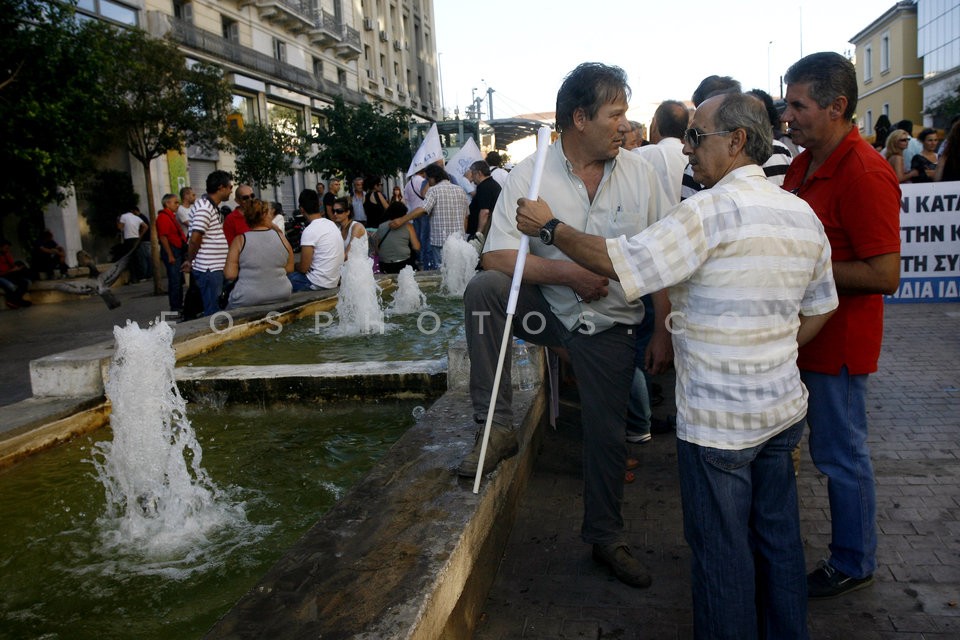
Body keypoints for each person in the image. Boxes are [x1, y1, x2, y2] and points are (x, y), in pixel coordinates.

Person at [517, 91, 838, 638]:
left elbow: (622, 262)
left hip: (718, 426)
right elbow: (821, 307)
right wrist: (769, 350)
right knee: (779, 545)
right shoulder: (800, 213)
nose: (687, 149)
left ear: (736, 142)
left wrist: (551, 230)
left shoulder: (708, 212)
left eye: (697, 136)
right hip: (783, 414)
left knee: (721, 556)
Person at [460, 62, 670, 589]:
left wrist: (663, 328)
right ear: (580, 118)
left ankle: (606, 538)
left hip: (613, 325)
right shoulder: (530, 174)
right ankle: (498, 427)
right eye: (616, 114)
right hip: (549, 313)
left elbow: (664, 256)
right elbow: (496, 257)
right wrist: (567, 273)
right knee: (484, 293)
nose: (626, 125)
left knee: (606, 435)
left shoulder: (643, 173)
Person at [782, 51, 901, 599]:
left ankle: (854, 560)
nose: (788, 116)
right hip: (803, 341)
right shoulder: (804, 163)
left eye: (798, 105)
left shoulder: (865, 172)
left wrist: (807, 268)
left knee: (841, 455)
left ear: (837, 107)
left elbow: (884, 274)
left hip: (839, 347)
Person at [390, 164, 469, 267]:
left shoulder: (434, 190)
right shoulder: (460, 190)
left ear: (433, 177)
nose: (428, 182)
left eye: (428, 179)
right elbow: (466, 216)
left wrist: (401, 220)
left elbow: (423, 209)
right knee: (457, 272)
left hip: (440, 241)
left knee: (442, 273)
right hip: (458, 241)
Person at [223, 197, 294, 309]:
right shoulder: (281, 238)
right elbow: (290, 268)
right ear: (266, 215)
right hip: (282, 293)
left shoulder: (239, 240)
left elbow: (230, 275)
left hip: (247, 297)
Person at [182, 170, 233, 317]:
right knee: (213, 312)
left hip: (214, 267)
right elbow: (196, 237)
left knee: (216, 307)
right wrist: (190, 260)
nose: (231, 191)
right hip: (209, 268)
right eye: (229, 187)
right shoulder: (204, 208)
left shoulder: (210, 207)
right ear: (221, 188)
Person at [288, 188, 343, 292]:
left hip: (316, 283)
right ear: (319, 204)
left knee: (285, 279)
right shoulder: (332, 224)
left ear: (301, 209)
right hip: (333, 281)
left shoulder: (309, 231)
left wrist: (295, 266)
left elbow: (304, 268)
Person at [156, 193, 187, 314]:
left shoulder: (171, 216)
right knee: (175, 280)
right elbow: (163, 237)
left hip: (176, 249)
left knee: (178, 280)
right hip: (172, 250)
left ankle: (179, 304)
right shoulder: (163, 217)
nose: (177, 205)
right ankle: (175, 306)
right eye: (175, 202)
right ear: (167, 203)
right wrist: (170, 254)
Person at [373, 201, 420, 273]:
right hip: (403, 264)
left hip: (385, 265)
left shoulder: (381, 226)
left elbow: (376, 250)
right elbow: (416, 247)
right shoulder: (408, 226)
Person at [463, 160, 501, 240]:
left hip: (483, 234)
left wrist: (478, 234)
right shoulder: (491, 184)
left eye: (473, 174)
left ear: (479, 173)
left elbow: (485, 212)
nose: (472, 179)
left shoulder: (485, 187)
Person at [403, 168, 432, 268]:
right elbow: (428, 195)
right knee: (425, 238)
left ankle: (419, 258)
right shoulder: (423, 182)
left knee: (417, 238)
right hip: (423, 212)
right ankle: (425, 261)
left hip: (413, 214)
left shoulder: (407, 184)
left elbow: (406, 201)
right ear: (423, 172)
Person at [0, 237, 32, 309]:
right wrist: (12, 270)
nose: (8, 250)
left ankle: (15, 300)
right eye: (6, 248)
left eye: (8, 248)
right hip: (3, 276)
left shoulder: (6, 254)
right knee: (12, 286)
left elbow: (12, 265)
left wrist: (17, 268)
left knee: (25, 282)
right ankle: (15, 301)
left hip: (10, 274)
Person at [116, 209, 147, 282]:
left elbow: (120, 227)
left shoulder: (123, 216)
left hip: (128, 239)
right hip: (136, 239)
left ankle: (133, 277)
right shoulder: (136, 217)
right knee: (137, 257)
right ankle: (141, 276)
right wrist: (140, 235)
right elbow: (145, 226)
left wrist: (118, 221)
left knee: (130, 259)